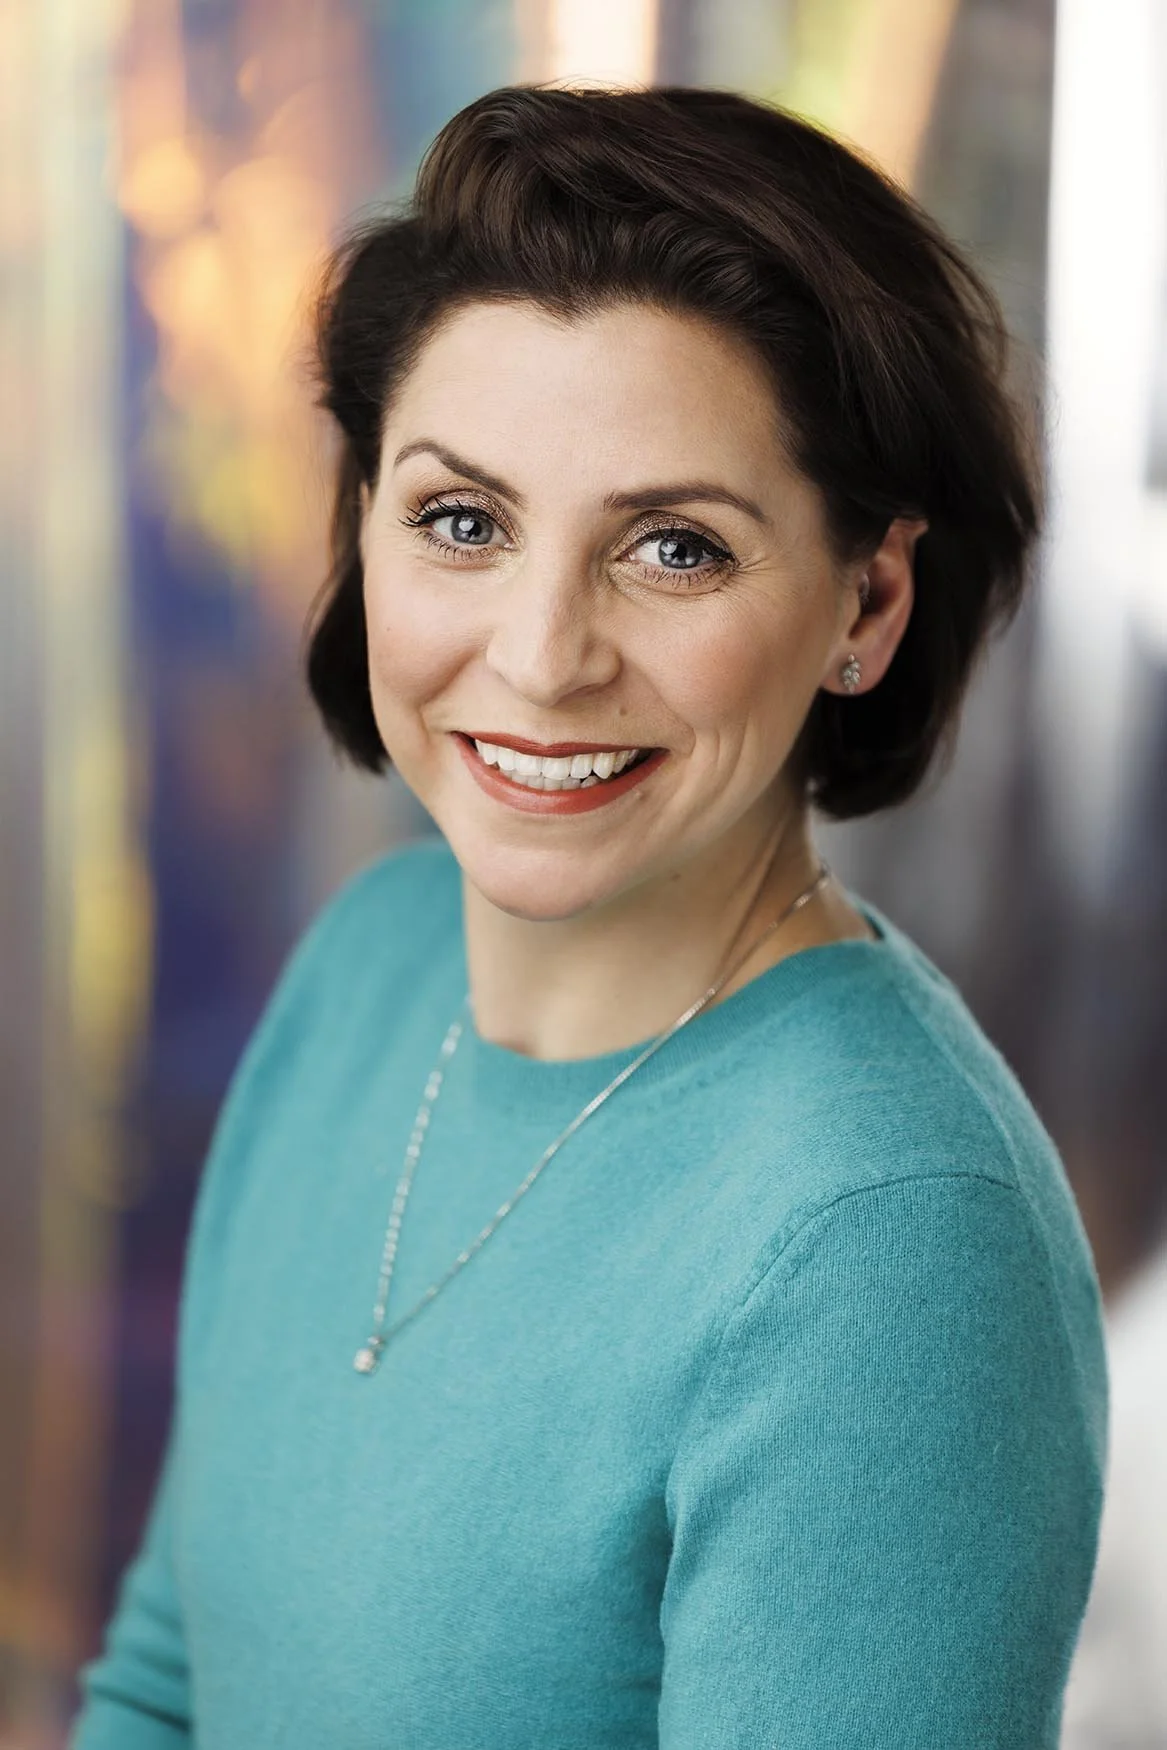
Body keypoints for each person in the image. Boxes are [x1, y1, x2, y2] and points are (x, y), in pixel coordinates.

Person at [72, 85, 1107, 1749]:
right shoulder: (366, 969)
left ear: (867, 600)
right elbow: (163, 1684)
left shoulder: (887, 1243)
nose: (543, 656)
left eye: (674, 548)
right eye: (461, 520)